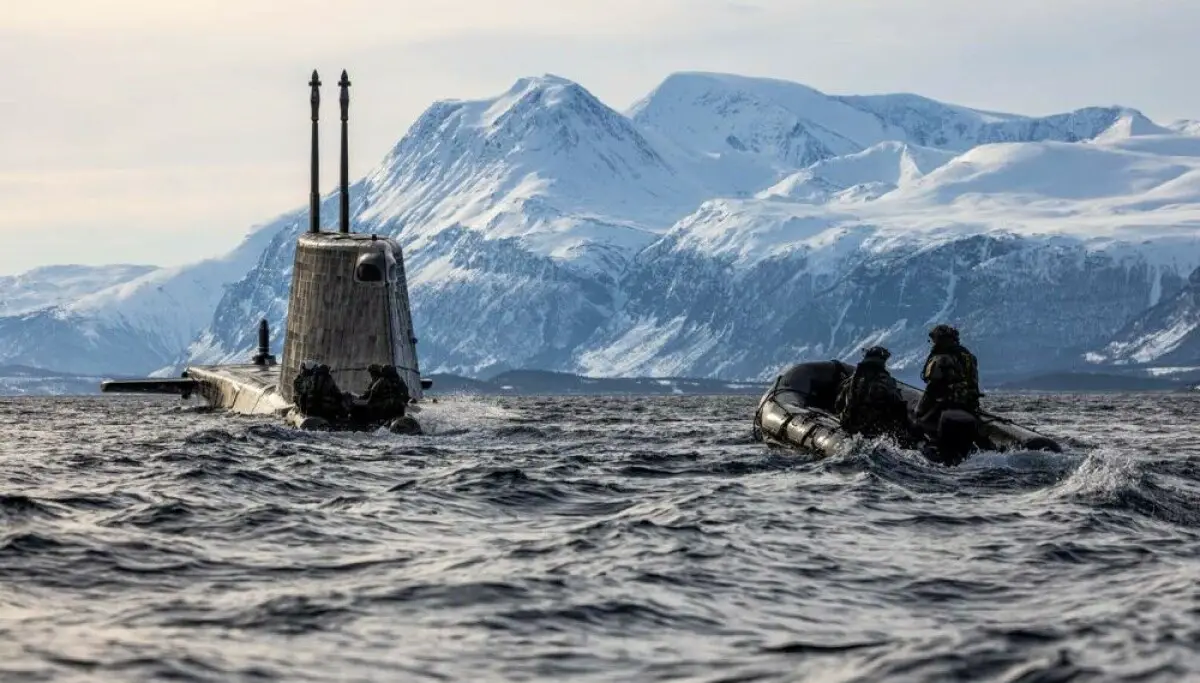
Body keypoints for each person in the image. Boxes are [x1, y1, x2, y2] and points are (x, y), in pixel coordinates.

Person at [914, 324, 983, 438]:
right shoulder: (969, 356)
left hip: (945, 407)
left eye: (935, 339)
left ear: (941, 340)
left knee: (917, 424)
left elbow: (931, 389)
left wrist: (918, 412)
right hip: (970, 405)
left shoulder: (941, 359)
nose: (933, 343)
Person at [834, 345, 913, 442]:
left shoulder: (853, 379)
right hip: (872, 431)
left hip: (849, 426)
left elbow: (839, 403)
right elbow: (898, 408)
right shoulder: (886, 382)